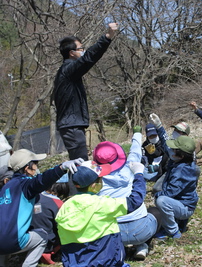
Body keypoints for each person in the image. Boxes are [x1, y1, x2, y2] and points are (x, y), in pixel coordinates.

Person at [0, 149, 82, 267]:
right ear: (27, 168)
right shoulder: (25, 184)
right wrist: (61, 168)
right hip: (13, 241)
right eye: (35, 164)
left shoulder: (6, 187)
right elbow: (42, 180)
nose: (37, 167)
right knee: (42, 236)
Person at [55, 160, 146, 266]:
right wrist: (138, 174)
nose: (102, 181)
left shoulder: (65, 207)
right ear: (93, 185)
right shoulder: (102, 204)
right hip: (107, 262)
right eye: (101, 179)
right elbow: (135, 201)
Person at [52, 22, 119, 161]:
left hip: (72, 124)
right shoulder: (69, 70)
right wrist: (107, 37)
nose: (83, 51)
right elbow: (89, 58)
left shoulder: (67, 71)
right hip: (72, 125)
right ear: (71, 53)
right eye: (81, 48)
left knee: (78, 163)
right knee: (81, 165)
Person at [93, 126, 160, 260]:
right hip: (142, 230)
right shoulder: (131, 166)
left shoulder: (94, 179)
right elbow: (135, 151)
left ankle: (119, 248)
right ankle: (142, 245)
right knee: (156, 212)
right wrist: (136, 134)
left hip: (114, 233)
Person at [149, 113, 200, 239]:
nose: (170, 151)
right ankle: (179, 222)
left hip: (185, 206)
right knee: (162, 195)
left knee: (161, 200)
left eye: (173, 150)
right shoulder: (178, 158)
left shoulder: (182, 171)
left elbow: (171, 191)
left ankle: (173, 231)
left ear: (181, 155)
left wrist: (157, 196)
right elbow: (167, 144)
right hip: (184, 200)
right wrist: (159, 126)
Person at [30, 176, 70, 265]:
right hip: (49, 241)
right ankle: (50, 251)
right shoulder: (58, 203)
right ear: (63, 187)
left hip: (30, 237)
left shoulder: (33, 196)